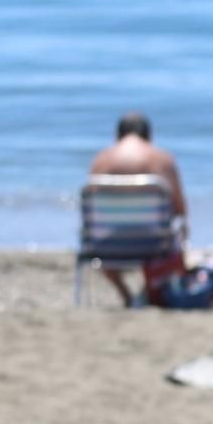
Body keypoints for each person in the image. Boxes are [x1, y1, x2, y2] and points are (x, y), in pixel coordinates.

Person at [87, 111, 189, 306]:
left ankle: (125, 292)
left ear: (117, 136)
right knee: (180, 230)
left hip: (105, 245)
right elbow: (180, 210)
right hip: (154, 245)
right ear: (149, 136)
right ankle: (147, 291)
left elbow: (92, 212)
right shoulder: (162, 159)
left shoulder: (100, 161)